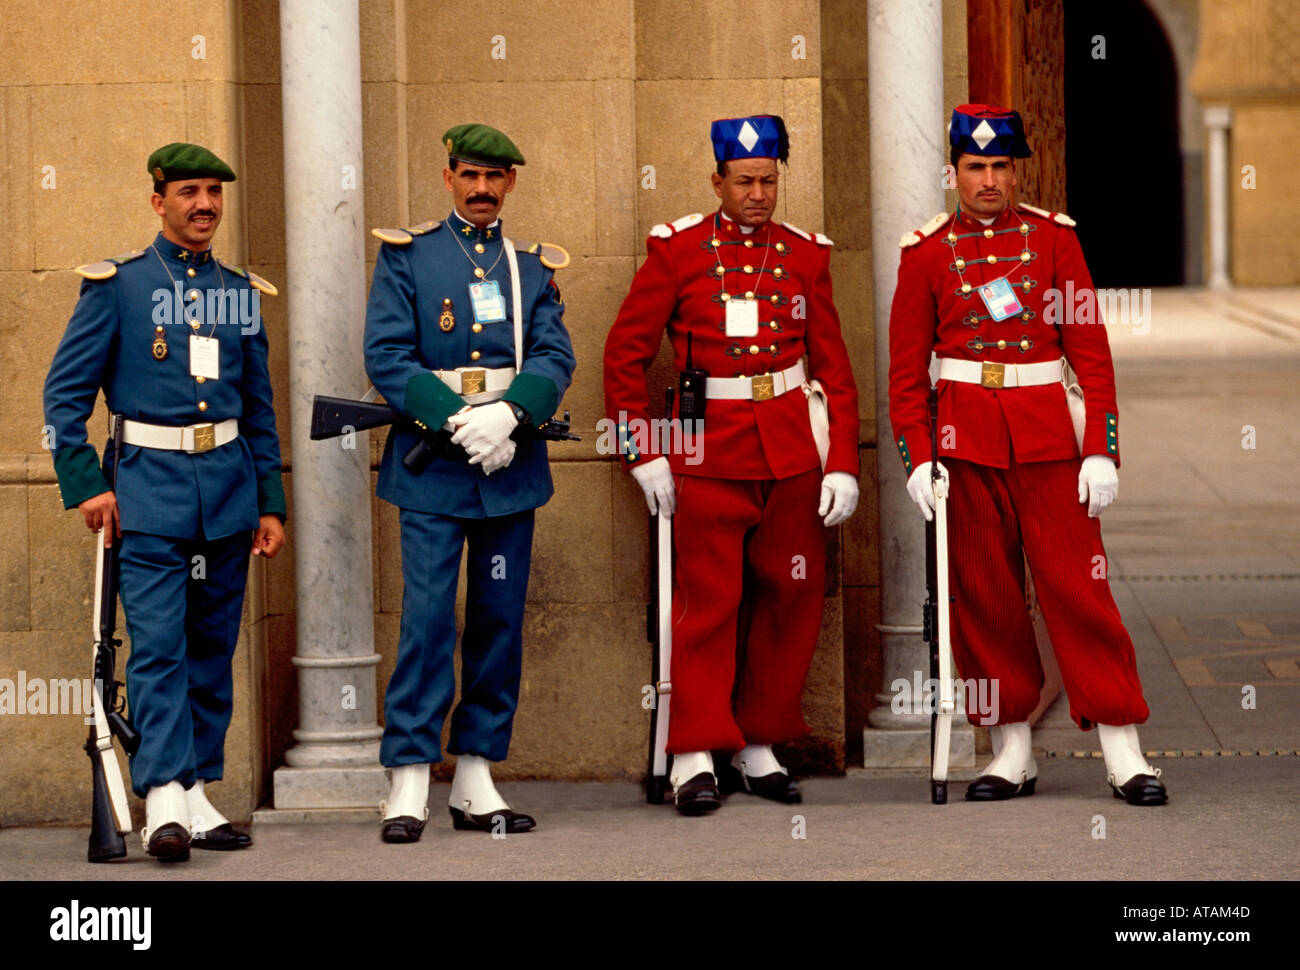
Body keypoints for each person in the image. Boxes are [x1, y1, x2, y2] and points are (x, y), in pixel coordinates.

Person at [888, 104, 1167, 805]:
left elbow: (1091, 353)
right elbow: (902, 374)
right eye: (975, 167)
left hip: (1048, 443)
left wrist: (1102, 447)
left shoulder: (1053, 241)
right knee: (986, 596)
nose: (987, 180)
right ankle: (1011, 750)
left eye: (1000, 167)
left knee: (1080, 590)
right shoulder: (923, 253)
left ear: (1016, 171)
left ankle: (1123, 748)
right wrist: (917, 457)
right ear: (951, 171)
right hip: (964, 447)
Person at [603, 115, 860, 815]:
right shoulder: (678, 251)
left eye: (769, 180)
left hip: (789, 451)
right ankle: (693, 750)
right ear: (717, 181)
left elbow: (834, 369)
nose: (758, 194)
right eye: (744, 182)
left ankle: (759, 742)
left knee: (791, 597)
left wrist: (841, 461)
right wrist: (643, 451)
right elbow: (624, 355)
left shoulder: (806, 256)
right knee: (706, 604)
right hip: (705, 450)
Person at [43, 142, 286, 862]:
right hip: (148, 496)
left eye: (214, 191)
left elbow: (260, 408)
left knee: (212, 649)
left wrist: (269, 501)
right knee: (158, 648)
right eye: (188, 192)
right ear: (158, 201)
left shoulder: (239, 292)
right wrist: (87, 483)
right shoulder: (116, 286)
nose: (204, 205)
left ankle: (201, 790)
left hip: (229, 495)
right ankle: (164, 799)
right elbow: (63, 397)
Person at [364, 123, 575, 841]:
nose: (482, 189)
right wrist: (460, 422)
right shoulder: (408, 258)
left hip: (509, 467)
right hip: (435, 465)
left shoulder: (531, 267)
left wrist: (512, 417)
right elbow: (387, 355)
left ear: (510, 182)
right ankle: (410, 775)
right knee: (426, 620)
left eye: (495, 177)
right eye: (469, 175)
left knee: (497, 618)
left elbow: (554, 352)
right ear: (449, 176)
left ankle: (478, 772)